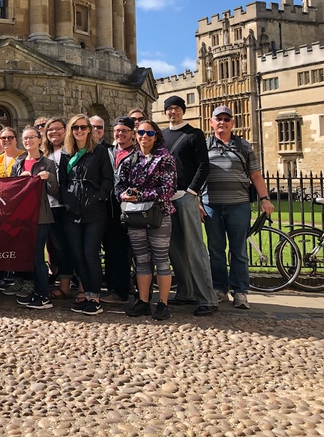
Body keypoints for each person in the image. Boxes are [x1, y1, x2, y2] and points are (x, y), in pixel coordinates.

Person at [203, 105, 274, 310]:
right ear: (212, 122)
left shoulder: (243, 146)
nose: (222, 122)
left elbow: (255, 175)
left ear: (232, 123)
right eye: (219, 119)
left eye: (227, 119)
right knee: (215, 250)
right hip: (211, 205)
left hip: (238, 205)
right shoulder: (205, 145)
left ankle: (240, 291)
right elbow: (197, 175)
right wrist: (198, 200)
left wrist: (265, 198)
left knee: (239, 251)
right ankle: (219, 288)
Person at [162, 95, 218, 316]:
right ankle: (185, 292)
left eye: (176, 108)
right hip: (167, 198)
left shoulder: (194, 134)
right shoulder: (162, 135)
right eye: (169, 109)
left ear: (182, 111)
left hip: (186, 195)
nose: (172, 112)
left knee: (195, 248)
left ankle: (207, 298)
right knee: (174, 248)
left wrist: (192, 191)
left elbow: (204, 166)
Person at [117, 120, 177, 320]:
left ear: (156, 135)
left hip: (159, 214)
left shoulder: (165, 158)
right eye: (141, 132)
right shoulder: (130, 159)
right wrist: (125, 195)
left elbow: (168, 189)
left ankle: (163, 303)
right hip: (135, 215)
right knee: (141, 260)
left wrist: (141, 195)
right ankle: (143, 302)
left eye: (149, 133)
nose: (144, 136)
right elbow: (119, 186)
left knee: (161, 259)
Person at [61, 114, 113, 315]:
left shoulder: (99, 152)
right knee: (78, 255)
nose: (79, 131)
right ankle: (86, 294)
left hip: (94, 212)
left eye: (83, 127)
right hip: (72, 211)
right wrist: (67, 200)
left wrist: (98, 197)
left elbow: (108, 179)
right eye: (75, 128)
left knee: (91, 253)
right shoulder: (66, 154)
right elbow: (63, 181)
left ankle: (94, 296)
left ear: (89, 130)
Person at [10, 126, 59, 310]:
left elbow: (55, 191)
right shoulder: (19, 163)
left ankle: (43, 295)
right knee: (30, 255)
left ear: (39, 140)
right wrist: (19, 181)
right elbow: (12, 191)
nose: (28, 141)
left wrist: (49, 179)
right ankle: (37, 291)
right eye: (26, 138)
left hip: (41, 216)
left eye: (32, 138)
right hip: (24, 216)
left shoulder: (48, 163)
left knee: (38, 256)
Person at [100, 116, 139, 305]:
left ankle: (124, 291)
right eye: (117, 130)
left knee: (128, 251)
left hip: (131, 207)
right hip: (109, 207)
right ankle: (114, 289)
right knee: (111, 249)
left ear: (132, 132)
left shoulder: (137, 153)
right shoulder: (108, 151)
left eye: (124, 130)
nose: (120, 134)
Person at [41, 117, 73, 300]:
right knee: (56, 247)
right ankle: (62, 283)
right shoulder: (44, 154)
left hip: (65, 206)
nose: (54, 132)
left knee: (65, 247)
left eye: (58, 129)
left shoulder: (70, 152)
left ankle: (66, 286)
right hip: (48, 206)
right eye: (50, 130)